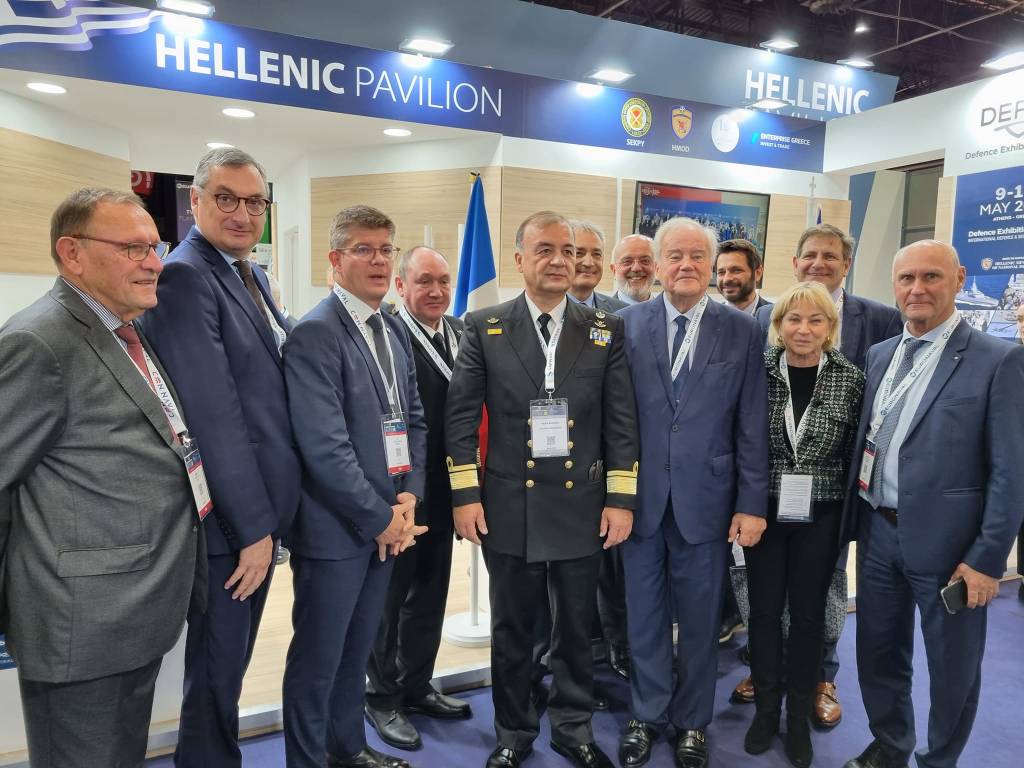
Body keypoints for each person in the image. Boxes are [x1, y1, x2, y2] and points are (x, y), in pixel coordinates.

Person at [0, 188, 203, 767]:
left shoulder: (125, 330)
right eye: (134, 248)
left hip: (135, 611)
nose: (155, 262)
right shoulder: (38, 342)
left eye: (156, 247)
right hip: (79, 626)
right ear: (73, 254)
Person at [446, 211, 639, 768]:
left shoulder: (604, 328)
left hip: (582, 504)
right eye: (546, 250)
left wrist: (621, 499)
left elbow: (621, 421)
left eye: (568, 251)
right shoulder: (484, 325)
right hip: (509, 504)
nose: (560, 261)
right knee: (513, 628)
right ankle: (513, 730)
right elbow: (461, 420)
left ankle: (573, 728)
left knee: (576, 628)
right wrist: (465, 496)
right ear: (520, 260)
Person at [137, 148, 302, 768]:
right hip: (228, 525)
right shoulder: (185, 276)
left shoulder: (246, 273)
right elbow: (213, 418)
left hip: (257, 512)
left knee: (227, 671)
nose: (242, 213)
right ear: (195, 201)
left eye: (255, 202)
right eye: (226, 198)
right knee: (215, 675)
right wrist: (252, 529)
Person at [841, 240, 1024, 768]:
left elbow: (1012, 473)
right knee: (877, 652)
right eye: (906, 279)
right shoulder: (881, 354)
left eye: (931, 277)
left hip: (952, 550)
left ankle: (939, 759)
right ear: (894, 285)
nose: (917, 289)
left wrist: (987, 559)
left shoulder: (998, 360)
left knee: (952, 668)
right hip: (878, 534)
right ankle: (890, 744)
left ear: (959, 279)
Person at [617, 217, 769, 768]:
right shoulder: (626, 325)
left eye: (697, 256)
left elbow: (751, 423)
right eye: (675, 256)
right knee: (644, 617)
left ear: (711, 266)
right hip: (639, 503)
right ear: (657, 265)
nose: (686, 265)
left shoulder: (743, 330)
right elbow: (614, 420)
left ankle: (692, 722)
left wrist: (751, 503)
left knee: (703, 621)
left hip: (708, 501)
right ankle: (645, 713)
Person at [282, 205, 429, 768]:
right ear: (336, 259)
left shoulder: (390, 327)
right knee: (318, 660)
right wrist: (381, 517)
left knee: (355, 652)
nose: (378, 260)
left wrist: (409, 495)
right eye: (363, 249)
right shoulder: (316, 333)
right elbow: (325, 447)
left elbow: (413, 419)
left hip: (386, 523)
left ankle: (347, 750)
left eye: (386, 249)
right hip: (337, 531)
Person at [744, 223, 902, 724]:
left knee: (819, 600)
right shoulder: (760, 349)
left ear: (846, 264)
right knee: (764, 603)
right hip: (768, 503)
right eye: (809, 254)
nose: (819, 263)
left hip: (827, 503)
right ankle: (767, 678)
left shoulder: (875, 330)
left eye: (830, 255)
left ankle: (817, 680)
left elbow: (869, 430)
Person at [743, 282, 864, 768]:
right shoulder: (757, 372)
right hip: (765, 510)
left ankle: (796, 718)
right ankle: (765, 712)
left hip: (823, 512)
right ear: (779, 325)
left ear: (830, 328)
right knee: (764, 613)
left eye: (816, 320)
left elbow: (855, 453)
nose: (804, 329)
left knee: (809, 617)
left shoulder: (851, 379)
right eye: (793, 319)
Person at [365, 246, 471, 750]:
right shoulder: (386, 336)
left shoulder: (461, 333)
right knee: (389, 600)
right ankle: (380, 696)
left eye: (443, 281)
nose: (436, 291)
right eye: (424, 281)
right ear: (401, 286)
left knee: (430, 593)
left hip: (448, 490)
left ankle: (416, 683)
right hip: (401, 493)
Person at [567, 219, 629, 681]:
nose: (586, 262)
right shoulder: (528, 317)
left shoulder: (621, 317)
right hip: (548, 475)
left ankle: (617, 650)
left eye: (594, 254)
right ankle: (567, 660)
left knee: (612, 571)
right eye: (577, 252)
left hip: (606, 469)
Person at [568, 220, 627, 313]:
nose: (589, 263)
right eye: (579, 253)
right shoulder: (545, 309)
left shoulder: (622, 312)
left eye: (596, 254)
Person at [715, 238, 771, 316]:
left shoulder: (777, 317)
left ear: (758, 273)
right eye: (721, 272)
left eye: (736, 270)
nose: (726, 279)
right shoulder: (707, 318)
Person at [610, 233, 656, 305]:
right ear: (614, 270)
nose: (636, 268)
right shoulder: (599, 311)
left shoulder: (668, 310)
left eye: (645, 260)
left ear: (656, 267)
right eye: (627, 261)